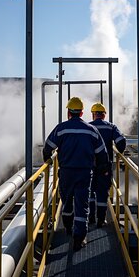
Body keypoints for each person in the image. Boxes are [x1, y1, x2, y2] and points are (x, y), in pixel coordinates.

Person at [43, 97, 109, 251]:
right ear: (81, 113)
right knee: (82, 204)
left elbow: (48, 147)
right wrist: (103, 168)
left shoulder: (61, 129)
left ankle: (67, 228)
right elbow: (102, 153)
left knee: (66, 201)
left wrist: (48, 159)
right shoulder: (92, 130)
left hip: (66, 172)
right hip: (85, 173)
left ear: (68, 112)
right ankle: (79, 238)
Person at [88, 102, 126, 227]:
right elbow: (121, 141)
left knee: (90, 191)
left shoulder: (88, 127)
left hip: (89, 165)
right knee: (103, 192)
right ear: (104, 115)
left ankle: (91, 217)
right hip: (105, 165)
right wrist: (120, 152)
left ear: (93, 115)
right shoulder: (111, 127)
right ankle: (101, 219)